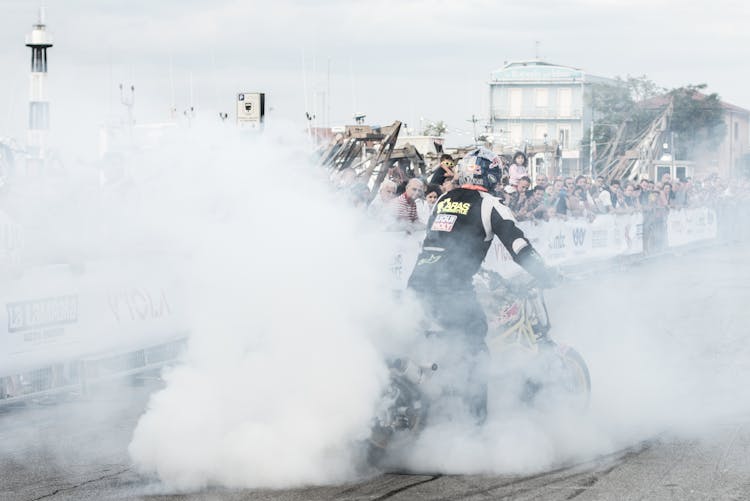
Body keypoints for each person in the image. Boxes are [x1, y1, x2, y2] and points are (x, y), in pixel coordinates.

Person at [407, 147, 557, 424]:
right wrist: (546, 274)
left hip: (417, 283)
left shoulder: (443, 200)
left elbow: (447, 242)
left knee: (440, 343)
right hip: (450, 288)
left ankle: (436, 401)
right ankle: (474, 426)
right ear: (493, 176)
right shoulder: (491, 204)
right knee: (475, 348)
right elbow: (518, 245)